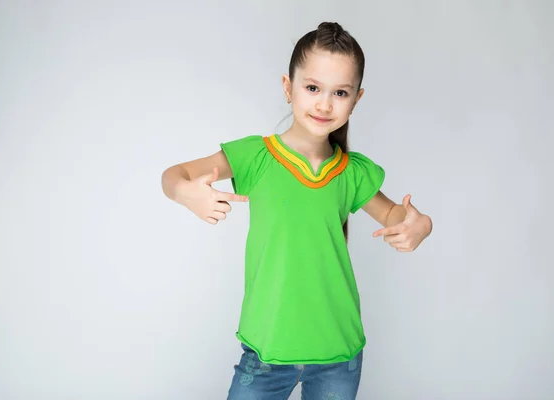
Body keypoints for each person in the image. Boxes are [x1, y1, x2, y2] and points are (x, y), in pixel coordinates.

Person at [161, 21, 433, 400]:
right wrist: (188, 193)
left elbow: (395, 216)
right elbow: (174, 176)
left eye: (340, 92)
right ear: (288, 88)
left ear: (356, 99)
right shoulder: (256, 157)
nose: (324, 103)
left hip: (339, 354)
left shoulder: (352, 173)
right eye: (312, 88)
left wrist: (421, 224)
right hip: (266, 353)